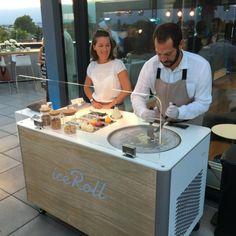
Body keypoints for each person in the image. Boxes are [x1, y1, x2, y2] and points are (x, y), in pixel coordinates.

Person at [131, 22, 212, 125]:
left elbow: (203, 103)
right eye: (158, 53)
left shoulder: (200, 66)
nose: (163, 59)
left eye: (168, 54)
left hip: (190, 125)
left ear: (180, 45)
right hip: (161, 123)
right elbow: (138, 96)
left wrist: (180, 112)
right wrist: (143, 112)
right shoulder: (151, 65)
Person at [84, 29, 132, 109]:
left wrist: (111, 104)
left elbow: (127, 89)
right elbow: (86, 87)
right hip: (97, 108)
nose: (105, 49)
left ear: (111, 46)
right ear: (94, 47)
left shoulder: (117, 64)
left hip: (116, 108)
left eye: (107, 45)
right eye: (101, 45)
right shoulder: (92, 66)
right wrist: (92, 101)